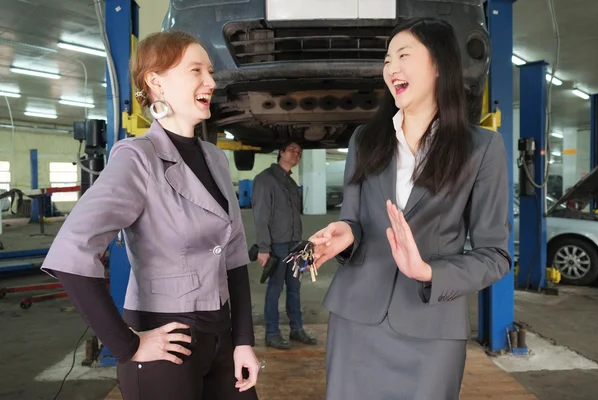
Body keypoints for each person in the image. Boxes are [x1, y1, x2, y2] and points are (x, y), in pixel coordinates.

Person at [40, 31, 260, 400]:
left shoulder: (216, 159)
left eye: (210, 71)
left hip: (221, 334)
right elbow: (71, 251)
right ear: (156, 81)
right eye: (196, 70)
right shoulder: (138, 158)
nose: (211, 81)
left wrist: (243, 341)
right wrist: (126, 345)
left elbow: (234, 254)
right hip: (164, 339)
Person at [308, 17, 511, 400]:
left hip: (431, 328)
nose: (391, 68)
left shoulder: (481, 149)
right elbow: (353, 221)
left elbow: (495, 255)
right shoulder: (366, 139)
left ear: (439, 65)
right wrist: (344, 236)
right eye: (387, 60)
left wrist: (428, 272)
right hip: (357, 320)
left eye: (403, 55)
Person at [251, 142, 318, 349]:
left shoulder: (290, 182)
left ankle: (296, 329)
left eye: (299, 152)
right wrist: (263, 248)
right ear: (280, 152)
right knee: (275, 289)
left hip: (295, 245)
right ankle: (272, 333)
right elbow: (261, 216)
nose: (296, 154)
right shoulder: (265, 180)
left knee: (295, 289)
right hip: (277, 246)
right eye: (291, 150)